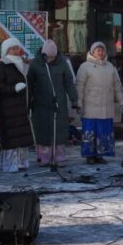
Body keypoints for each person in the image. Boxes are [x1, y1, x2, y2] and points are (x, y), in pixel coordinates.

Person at [27, 39, 78, 167]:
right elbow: (29, 85)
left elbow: (69, 82)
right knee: (43, 131)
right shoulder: (35, 64)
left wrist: (74, 99)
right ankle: (44, 157)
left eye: (53, 57)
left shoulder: (62, 63)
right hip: (41, 104)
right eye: (49, 57)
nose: (51, 59)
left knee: (59, 130)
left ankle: (59, 156)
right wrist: (28, 102)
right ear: (43, 54)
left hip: (58, 103)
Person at [75, 41, 122, 165]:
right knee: (91, 130)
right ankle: (90, 155)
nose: (100, 53)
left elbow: (117, 86)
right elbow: (79, 86)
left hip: (106, 107)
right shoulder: (85, 67)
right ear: (92, 52)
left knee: (103, 131)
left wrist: (121, 100)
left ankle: (101, 154)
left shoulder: (110, 67)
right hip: (91, 107)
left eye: (102, 50)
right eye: (98, 50)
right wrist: (78, 103)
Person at [0, 38, 34, 173]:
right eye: (14, 48)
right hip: (8, 107)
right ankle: (10, 164)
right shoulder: (2, 66)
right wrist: (13, 88)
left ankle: (21, 162)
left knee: (21, 134)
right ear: (7, 50)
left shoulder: (22, 63)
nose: (17, 51)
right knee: (11, 135)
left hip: (22, 105)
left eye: (18, 48)